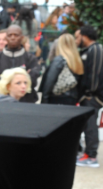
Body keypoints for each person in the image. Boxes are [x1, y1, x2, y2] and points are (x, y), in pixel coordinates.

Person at [0, 25, 40, 102]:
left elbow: (32, 82)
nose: (13, 37)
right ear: (6, 38)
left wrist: (2, 78)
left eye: (16, 35)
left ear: (22, 38)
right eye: (10, 35)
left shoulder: (31, 59)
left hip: (25, 102)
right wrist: (21, 79)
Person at [76, 25, 103, 168]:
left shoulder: (96, 49)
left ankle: (91, 156)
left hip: (93, 97)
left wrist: (89, 93)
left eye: (77, 37)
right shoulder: (90, 50)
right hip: (90, 96)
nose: (76, 40)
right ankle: (88, 153)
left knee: (91, 125)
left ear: (85, 36)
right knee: (88, 125)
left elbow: (94, 73)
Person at [39, 33, 82, 106]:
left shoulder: (59, 60)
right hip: (72, 99)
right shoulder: (78, 61)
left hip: (57, 99)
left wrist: (44, 100)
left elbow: (49, 81)